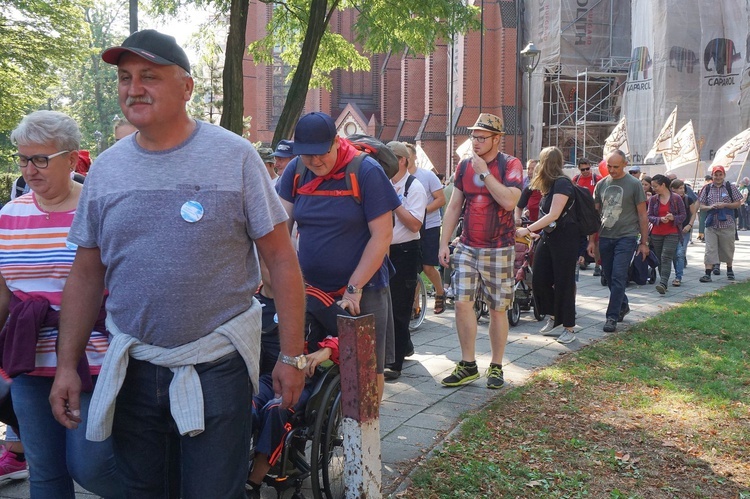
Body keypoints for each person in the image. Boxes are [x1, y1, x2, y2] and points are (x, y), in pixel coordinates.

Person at [49, 30, 306, 498]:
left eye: (149, 76)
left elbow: (281, 260)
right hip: (133, 367)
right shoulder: (107, 169)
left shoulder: (235, 157)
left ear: (186, 87)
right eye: (125, 78)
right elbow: (86, 274)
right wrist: (67, 365)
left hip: (216, 369)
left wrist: (292, 355)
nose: (133, 88)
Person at [2, 110, 122, 498]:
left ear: (71, 159)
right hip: (29, 362)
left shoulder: (100, 210)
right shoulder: (8, 216)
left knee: (91, 466)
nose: (30, 170)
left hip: (93, 361)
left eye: (41, 159)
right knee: (45, 473)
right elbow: (4, 294)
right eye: (23, 159)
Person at [277, 112, 400, 401]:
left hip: (363, 289)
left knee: (366, 369)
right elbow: (281, 229)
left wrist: (354, 289)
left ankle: (366, 441)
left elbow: (382, 235)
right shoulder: (295, 170)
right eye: (307, 156)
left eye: (321, 154)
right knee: (303, 358)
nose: (315, 162)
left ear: (336, 142)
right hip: (311, 290)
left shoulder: (366, 171)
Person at [438, 113, 523, 389]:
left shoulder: (511, 165)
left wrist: (484, 173)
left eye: (481, 137)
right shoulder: (464, 167)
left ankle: (496, 366)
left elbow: (509, 202)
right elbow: (454, 207)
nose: (475, 141)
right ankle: (468, 363)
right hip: (467, 245)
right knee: (462, 303)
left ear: (497, 139)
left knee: (498, 309)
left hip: (499, 248)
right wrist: (444, 242)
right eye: (473, 136)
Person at [246, 265, 344, 498]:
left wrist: (327, 351)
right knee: (241, 408)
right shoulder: (250, 300)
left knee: (274, 410)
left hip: (303, 380)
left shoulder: (313, 298)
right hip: (264, 378)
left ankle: (252, 484)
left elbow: (354, 330)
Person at [515, 147, 579, 344]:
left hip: (566, 239)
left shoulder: (562, 184)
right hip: (549, 237)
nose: (537, 167)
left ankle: (568, 326)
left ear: (547, 163)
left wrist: (527, 230)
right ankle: (554, 316)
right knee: (539, 279)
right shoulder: (549, 185)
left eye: (540, 162)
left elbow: (554, 214)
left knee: (564, 282)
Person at [588, 150, 649, 333]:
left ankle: (611, 317)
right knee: (608, 276)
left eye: (616, 166)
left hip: (627, 236)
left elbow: (642, 215)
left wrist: (644, 242)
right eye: (609, 166)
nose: (612, 170)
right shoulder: (601, 184)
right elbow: (595, 215)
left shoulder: (634, 184)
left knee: (618, 276)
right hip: (606, 235)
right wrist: (592, 240)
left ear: (624, 165)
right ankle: (623, 304)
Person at [384, 141, 427, 380]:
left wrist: (394, 202)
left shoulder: (414, 186)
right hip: (384, 250)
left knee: (399, 307)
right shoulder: (386, 183)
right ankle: (404, 346)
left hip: (406, 252)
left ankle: (395, 362)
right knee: (385, 304)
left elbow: (414, 224)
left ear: (401, 160)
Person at [404, 143, 447, 314]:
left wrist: (421, 211)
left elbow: (440, 199)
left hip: (429, 225)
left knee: (428, 266)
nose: (405, 159)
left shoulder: (427, 176)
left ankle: (440, 292)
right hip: (409, 227)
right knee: (412, 268)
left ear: (415, 157)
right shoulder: (397, 177)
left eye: (407, 155)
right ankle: (414, 306)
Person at [698, 165, 743, 282]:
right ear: (712, 175)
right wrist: (709, 207)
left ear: (724, 175)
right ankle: (707, 274)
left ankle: (729, 269)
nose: (718, 177)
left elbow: (738, 203)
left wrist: (725, 205)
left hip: (727, 223)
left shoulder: (730, 187)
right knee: (710, 249)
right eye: (715, 175)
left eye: (720, 174)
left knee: (728, 248)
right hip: (711, 224)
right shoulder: (707, 188)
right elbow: (701, 205)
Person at [647, 174, 686, 294]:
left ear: (663, 185)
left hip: (672, 232)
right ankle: (663, 280)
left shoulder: (676, 198)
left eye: (655, 186)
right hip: (656, 233)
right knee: (659, 258)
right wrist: (659, 219)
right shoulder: (654, 199)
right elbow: (649, 216)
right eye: (652, 187)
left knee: (666, 257)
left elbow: (683, 215)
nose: (654, 189)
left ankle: (663, 282)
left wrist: (673, 217)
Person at [573, 157, 602, 274]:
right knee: (580, 239)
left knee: (595, 240)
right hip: (580, 214)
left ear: (591, 167)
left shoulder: (597, 179)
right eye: (583, 169)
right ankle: (582, 258)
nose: (585, 171)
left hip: (593, 213)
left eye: (587, 169)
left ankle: (597, 265)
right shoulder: (576, 179)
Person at [670, 178, 697, 286]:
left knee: (680, 253)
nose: (682, 190)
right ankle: (677, 272)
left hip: (684, 230)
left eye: (682, 188)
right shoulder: (669, 199)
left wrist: (689, 225)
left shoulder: (688, 199)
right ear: (673, 189)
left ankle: (678, 277)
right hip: (672, 230)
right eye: (679, 188)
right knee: (674, 254)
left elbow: (693, 213)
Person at [697, 174, 713, 242]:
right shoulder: (711, 186)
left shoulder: (706, 186)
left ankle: (703, 236)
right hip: (712, 206)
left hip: (705, 206)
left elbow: (700, 197)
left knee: (703, 221)